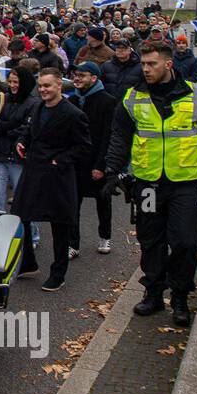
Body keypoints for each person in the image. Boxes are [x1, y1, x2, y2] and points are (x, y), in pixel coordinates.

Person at [104, 40, 197, 327]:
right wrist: (111, 170)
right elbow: (120, 137)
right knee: (150, 239)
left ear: (168, 64)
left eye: (152, 64)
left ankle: (181, 296)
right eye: (143, 64)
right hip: (147, 185)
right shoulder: (132, 98)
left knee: (185, 241)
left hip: (183, 183)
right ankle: (154, 292)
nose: (145, 69)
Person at [13, 68, 91, 292]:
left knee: (60, 226)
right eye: (40, 86)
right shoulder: (37, 107)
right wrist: (22, 141)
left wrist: (61, 160)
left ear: (59, 85)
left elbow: (84, 147)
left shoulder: (73, 114)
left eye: (47, 85)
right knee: (21, 215)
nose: (43, 90)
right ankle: (28, 263)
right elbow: (30, 130)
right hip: (34, 171)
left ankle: (58, 274)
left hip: (57, 177)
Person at [0, 66, 38, 235]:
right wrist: (5, 127)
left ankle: (31, 235)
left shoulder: (33, 103)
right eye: (10, 81)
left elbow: (27, 129)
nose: (13, 85)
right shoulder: (2, 98)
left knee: (24, 200)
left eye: (16, 82)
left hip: (19, 159)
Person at [68, 62, 116, 258]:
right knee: (72, 204)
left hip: (97, 161)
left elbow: (109, 136)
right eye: (75, 75)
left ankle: (105, 237)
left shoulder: (108, 101)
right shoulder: (71, 100)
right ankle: (73, 244)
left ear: (94, 78)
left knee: (103, 201)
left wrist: (101, 165)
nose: (77, 78)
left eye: (82, 75)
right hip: (75, 162)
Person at [100, 38, 143, 105]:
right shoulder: (106, 66)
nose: (120, 50)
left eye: (124, 48)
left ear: (130, 50)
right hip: (110, 104)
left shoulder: (140, 67)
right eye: (118, 48)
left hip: (131, 105)